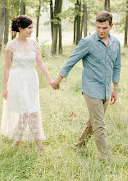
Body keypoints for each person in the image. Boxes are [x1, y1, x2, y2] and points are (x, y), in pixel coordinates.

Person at [51, 11, 121, 160]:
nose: (101, 31)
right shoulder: (87, 42)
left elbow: (117, 67)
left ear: (111, 26)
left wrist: (115, 89)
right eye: (98, 27)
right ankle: (106, 159)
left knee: (93, 122)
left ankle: (79, 146)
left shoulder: (116, 43)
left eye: (104, 28)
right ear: (95, 25)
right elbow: (71, 60)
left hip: (106, 90)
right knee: (100, 125)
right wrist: (58, 80)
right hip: (91, 89)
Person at [1, 15, 56, 151]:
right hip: (17, 80)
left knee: (30, 109)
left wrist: (50, 80)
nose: (31, 31)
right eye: (29, 28)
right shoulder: (11, 46)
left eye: (32, 28)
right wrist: (5, 88)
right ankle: (38, 144)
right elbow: (7, 68)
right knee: (28, 111)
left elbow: (41, 64)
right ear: (20, 29)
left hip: (31, 80)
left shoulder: (34, 44)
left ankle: (18, 140)